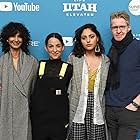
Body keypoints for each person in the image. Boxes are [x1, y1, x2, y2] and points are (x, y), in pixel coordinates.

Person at [67, 23, 110, 140]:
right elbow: (67, 84)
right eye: (84, 38)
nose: (88, 41)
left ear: (97, 38)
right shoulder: (74, 58)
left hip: (97, 107)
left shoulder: (106, 61)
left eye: (91, 36)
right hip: (78, 105)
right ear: (80, 41)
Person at [30, 32, 73, 140]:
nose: (54, 50)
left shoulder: (69, 68)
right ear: (46, 48)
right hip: (39, 120)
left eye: (58, 46)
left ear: (63, 47)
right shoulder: (39, 65)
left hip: (59, 121)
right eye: (51, 46)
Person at [105, 11, 140, 140]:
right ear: (111, 29)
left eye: (122, 27)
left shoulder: (138, 47)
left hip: (129, 111)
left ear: (129, 27)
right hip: (110, 110)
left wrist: (136, 104)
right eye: (115, 27)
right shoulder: (112, 50)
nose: (118, 31)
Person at [0, 22, 38, 140]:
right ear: (6, 39)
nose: (16, 40)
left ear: (24, 39)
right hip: (5, 112)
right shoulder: (1, 62)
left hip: (25, 114)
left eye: (19, 36)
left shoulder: (32, 62)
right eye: (12, 36)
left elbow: (34, 90)